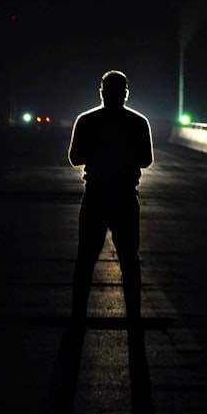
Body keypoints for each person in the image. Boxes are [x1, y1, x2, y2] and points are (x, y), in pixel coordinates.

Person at [68, 70, 154, 326]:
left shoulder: (86, 121)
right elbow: (146, 160)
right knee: (129, 260)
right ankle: (134, 316)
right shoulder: (138, 122)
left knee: (85, 259)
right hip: (126, 197)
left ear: (101, 92)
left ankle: (78, 315)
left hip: (95, 196)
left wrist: (98, 154)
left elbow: (74, 158)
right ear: (126, 93)